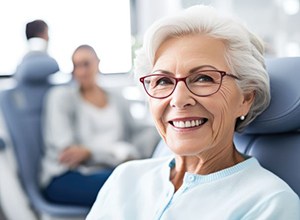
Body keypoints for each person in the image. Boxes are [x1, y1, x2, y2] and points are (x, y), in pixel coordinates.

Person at [86, 5, 300, 219]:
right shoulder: (125, 178)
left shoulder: (269, 203)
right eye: (163, 81)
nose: (178, 100)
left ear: (245, 98)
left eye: (203, 78)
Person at [40, 44, 159, 207]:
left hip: (111, 167)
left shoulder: (117, 98)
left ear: (98, 63)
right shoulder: (61, 97)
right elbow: (70, 153)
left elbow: (138, 132)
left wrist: (163, 129)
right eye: (76, 66)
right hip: (69, 174)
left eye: (86, 64)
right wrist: (114, 152)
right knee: (132, 187)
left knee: (151, 178)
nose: (81, 72)